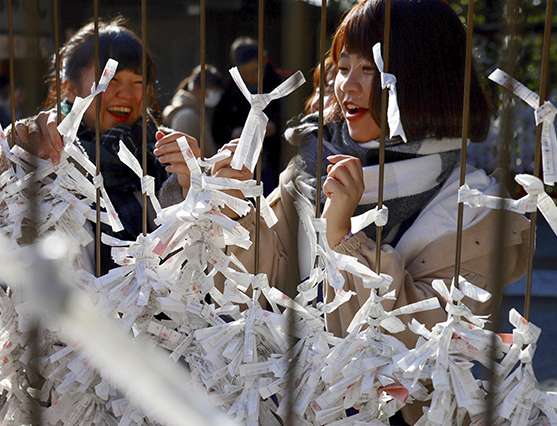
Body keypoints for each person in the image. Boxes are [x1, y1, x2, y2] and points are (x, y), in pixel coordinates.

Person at [209, 1, 530, 423]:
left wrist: (346, 237)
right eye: (343, 67)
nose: (348, 86)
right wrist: (231, 209)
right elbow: (256, 287)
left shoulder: (478, 211)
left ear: (425, 80)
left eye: (371, 70)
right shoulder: (310, 169)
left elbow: (413, 351)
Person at [5, 17, 198, 274]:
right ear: (69, 89)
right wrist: (17, 144)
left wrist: (193, 186)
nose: (127, 94)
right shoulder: (45, 148)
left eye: (138, 83)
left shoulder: (166, 152)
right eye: (111, 80)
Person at [211, 36, 289, 195]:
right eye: (244, 73)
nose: (250, 77)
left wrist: (275, 126)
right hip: (241, 164)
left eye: (255, 71)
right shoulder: (231, 90)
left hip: (274, 160)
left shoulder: (280, 83)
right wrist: (233, 134)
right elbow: (217, 126)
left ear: (264, 63)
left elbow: (292, 118)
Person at [163, 64, 223, 157]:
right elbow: (186, 158)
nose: (215, 95)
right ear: (196, 89)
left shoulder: (197, 112)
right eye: (212, 91)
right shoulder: (187, 116)